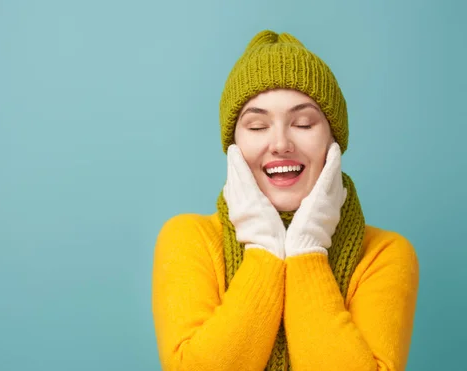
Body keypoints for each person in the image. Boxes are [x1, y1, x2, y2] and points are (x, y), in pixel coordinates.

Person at [151, 29, 419, 371]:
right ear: (233, 148)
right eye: (257, 126)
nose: (280, 143)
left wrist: (307, 250)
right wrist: (264, 246)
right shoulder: (189, 239)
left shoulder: (384, 253)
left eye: (304, 123)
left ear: (333, 143)